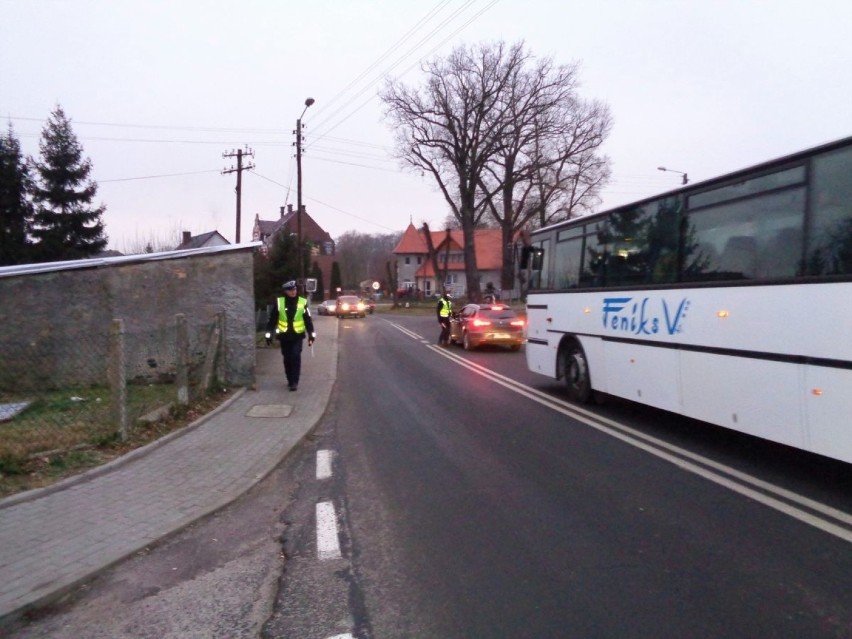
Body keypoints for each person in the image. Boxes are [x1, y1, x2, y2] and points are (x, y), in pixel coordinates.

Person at [265, 280, 316, 391]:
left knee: (295, 356)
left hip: (297, 336)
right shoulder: (280, 302)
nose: (293, 292)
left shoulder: (302, 302)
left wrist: (311, 334)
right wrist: (268, 335)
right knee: (287, 358)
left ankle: (294, 382)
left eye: (294, 289)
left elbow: (307, 319)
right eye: (290, 290)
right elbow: (272, 320)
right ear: (285, 291)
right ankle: (289, 379)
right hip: (284, 336)